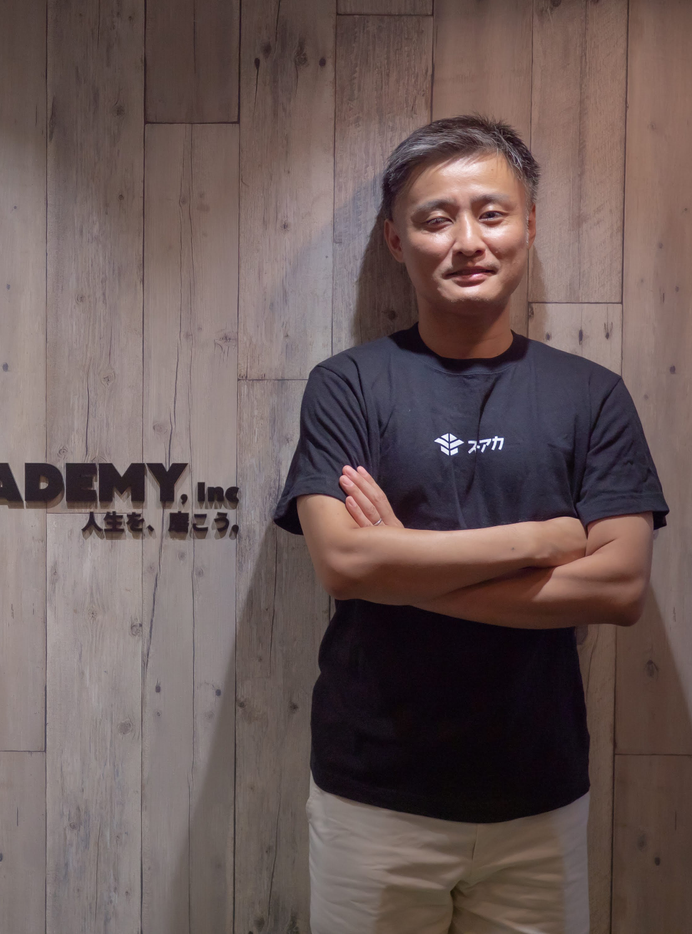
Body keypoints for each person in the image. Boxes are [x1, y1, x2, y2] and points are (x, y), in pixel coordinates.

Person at [272, 115, 669, 934]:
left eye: (491, 213)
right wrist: (542, 540)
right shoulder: (348, 387)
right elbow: (344, 566)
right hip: (373, 792)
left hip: (538, 793)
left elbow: (620, 587)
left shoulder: (591, 396)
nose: (467, 241)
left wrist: (402, 565)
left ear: (529, 225)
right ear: (395, 239)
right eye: (434, 219)